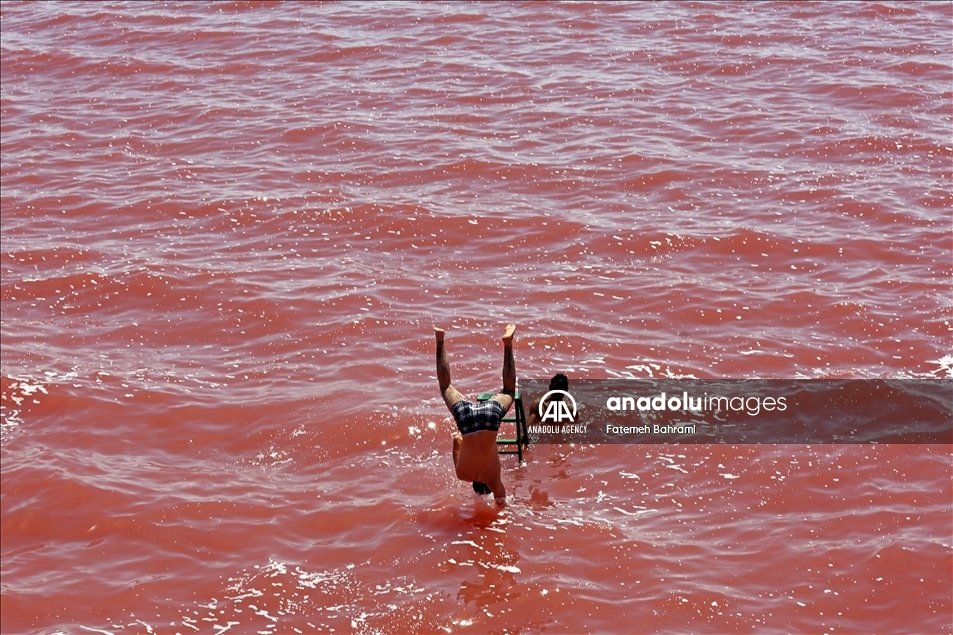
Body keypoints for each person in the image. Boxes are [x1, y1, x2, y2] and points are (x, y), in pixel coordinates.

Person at [435, 324, 516, 507]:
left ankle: (508, 344)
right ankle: (440, 340)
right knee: (446, 386)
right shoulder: (462, 474)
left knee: (509, 390)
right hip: (467, 420)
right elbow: (457, 439)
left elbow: (501, 501)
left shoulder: (494, 479)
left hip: (490, 420)